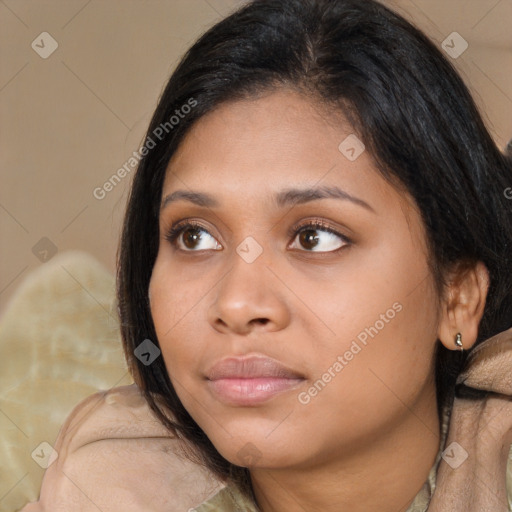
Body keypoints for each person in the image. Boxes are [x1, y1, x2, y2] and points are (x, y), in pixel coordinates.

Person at [22, 0, 512, 510]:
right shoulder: (107, 485)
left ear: (458, 297)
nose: (236, 304)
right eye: (194, 237)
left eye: (316, 237)